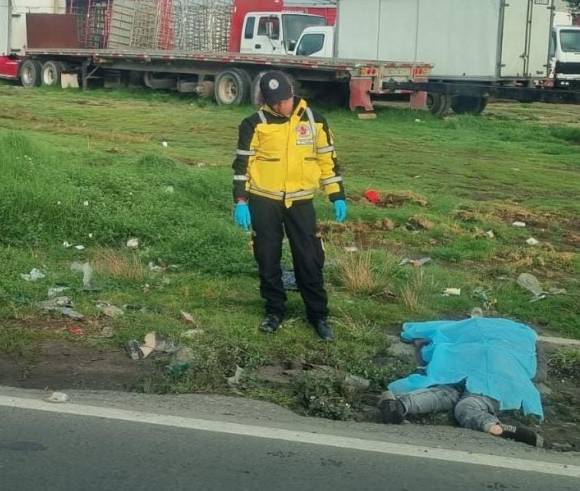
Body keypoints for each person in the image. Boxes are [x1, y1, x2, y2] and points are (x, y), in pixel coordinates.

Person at [231, 70, 346, 341]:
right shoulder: (253, 124)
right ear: (265, 100)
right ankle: (274, 311)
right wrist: (240, 201)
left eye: (284, 99)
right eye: (274, 101)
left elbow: (327, 161)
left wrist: (336, 194)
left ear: (292, 93)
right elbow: (241, 166)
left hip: (301, 201)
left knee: (309, 258)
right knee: (267, 256)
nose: (280, 105)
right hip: (264, 200)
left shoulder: (316, 121)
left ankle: (318, 316)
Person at [379, 317, 544, 447]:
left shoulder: (462, 326)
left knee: (442, 393)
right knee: (466, 406)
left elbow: (422, 342)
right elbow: (538, 372)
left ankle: (399, 404)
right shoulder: (525, 337)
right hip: (495, 382)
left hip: (457, 372)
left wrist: (423, 347)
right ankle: (493, 427)